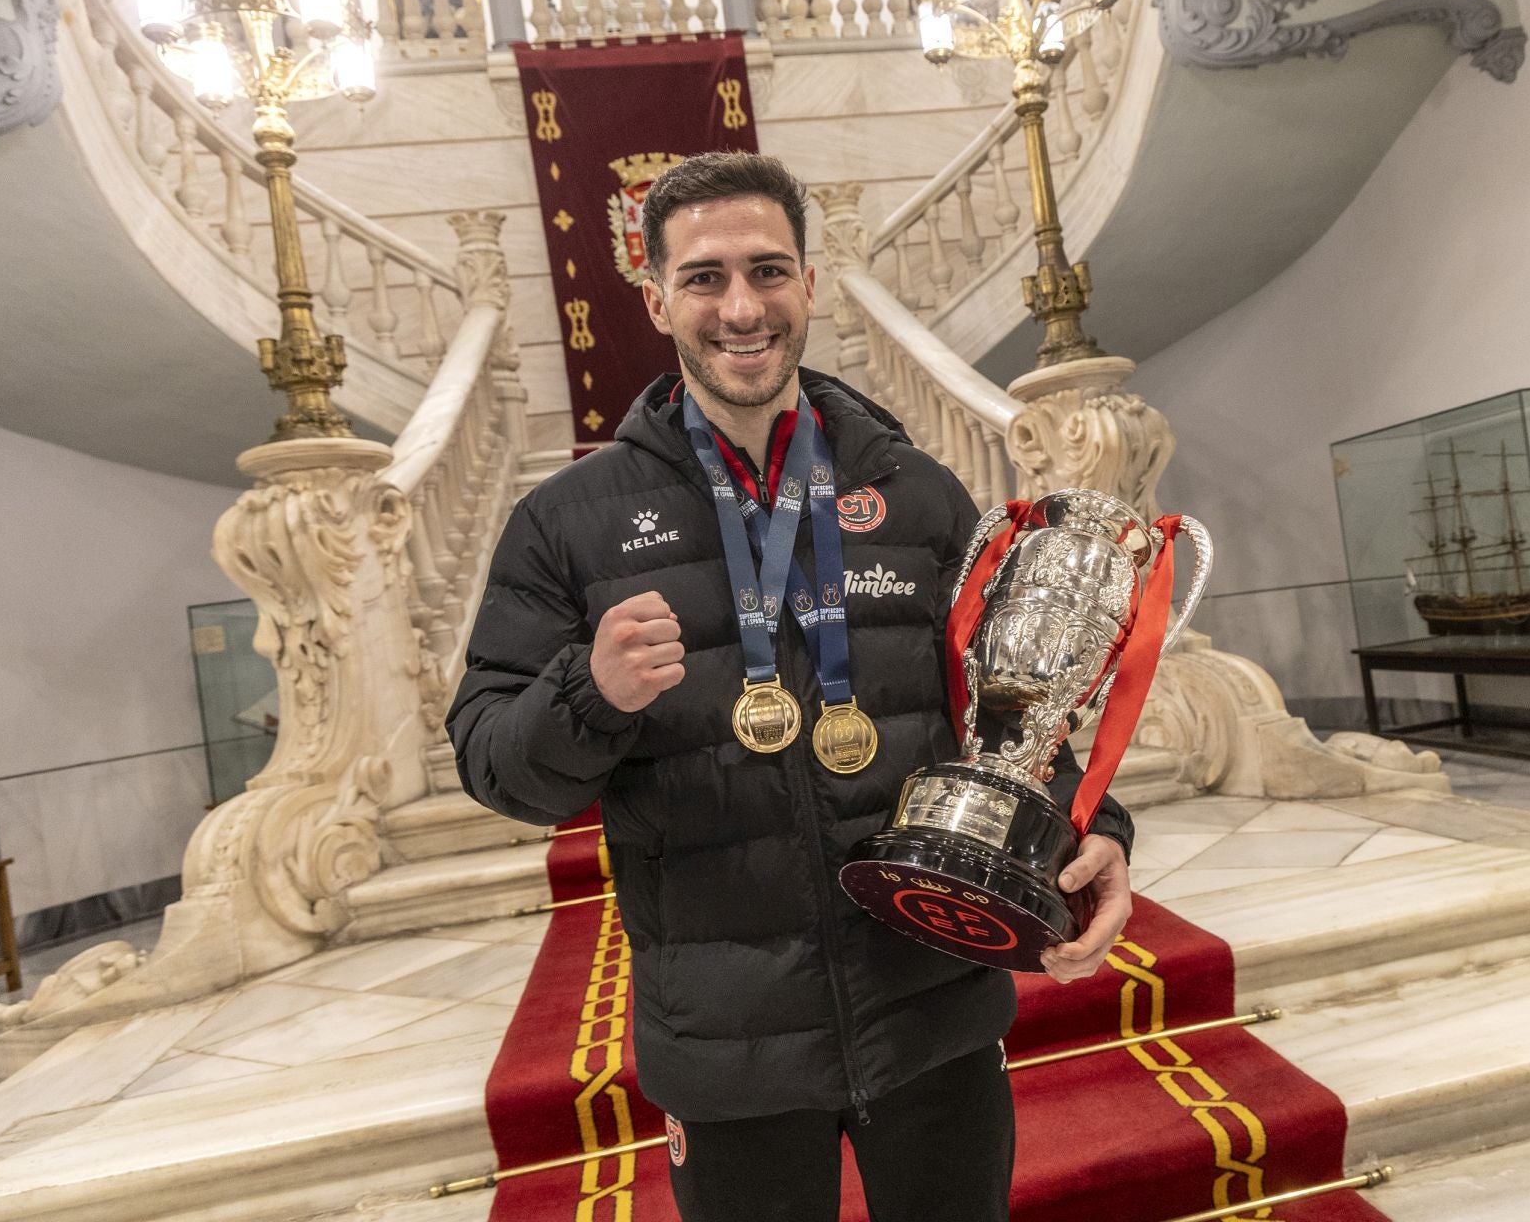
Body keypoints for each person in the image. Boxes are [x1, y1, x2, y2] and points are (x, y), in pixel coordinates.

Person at [446, 151, 1134, 1222]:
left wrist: (1100, 828)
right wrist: (591, 692)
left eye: (768, 271)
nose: (741, 307)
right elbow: (496, 762)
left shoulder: (915, 491)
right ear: (658, 297)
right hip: (728, 1045)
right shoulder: (567, 522)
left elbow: (1011, 708)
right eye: (705, 277)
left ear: (808, 283)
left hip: (933, 1001)